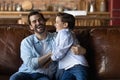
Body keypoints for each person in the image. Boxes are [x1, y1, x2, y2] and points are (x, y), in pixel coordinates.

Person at [9, 11, 86, 80]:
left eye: (40, 20)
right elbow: (31, 64)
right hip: (25, 73)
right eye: (34, 22)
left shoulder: (58, 36)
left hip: (43, 75)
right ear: (31, 27)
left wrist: (83, 50)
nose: (38, 23)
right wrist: (51, 54)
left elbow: (71, 40)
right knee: (14, 78)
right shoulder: (26, 42)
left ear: (44, 21)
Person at [50, 12, 89, 80]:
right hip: (68, 67)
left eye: (57, 22)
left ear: (65, 24)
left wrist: (52, 58)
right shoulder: (68, 33)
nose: (54, 24)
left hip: (77, 65)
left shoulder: (64, 33)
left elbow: (61, 49)